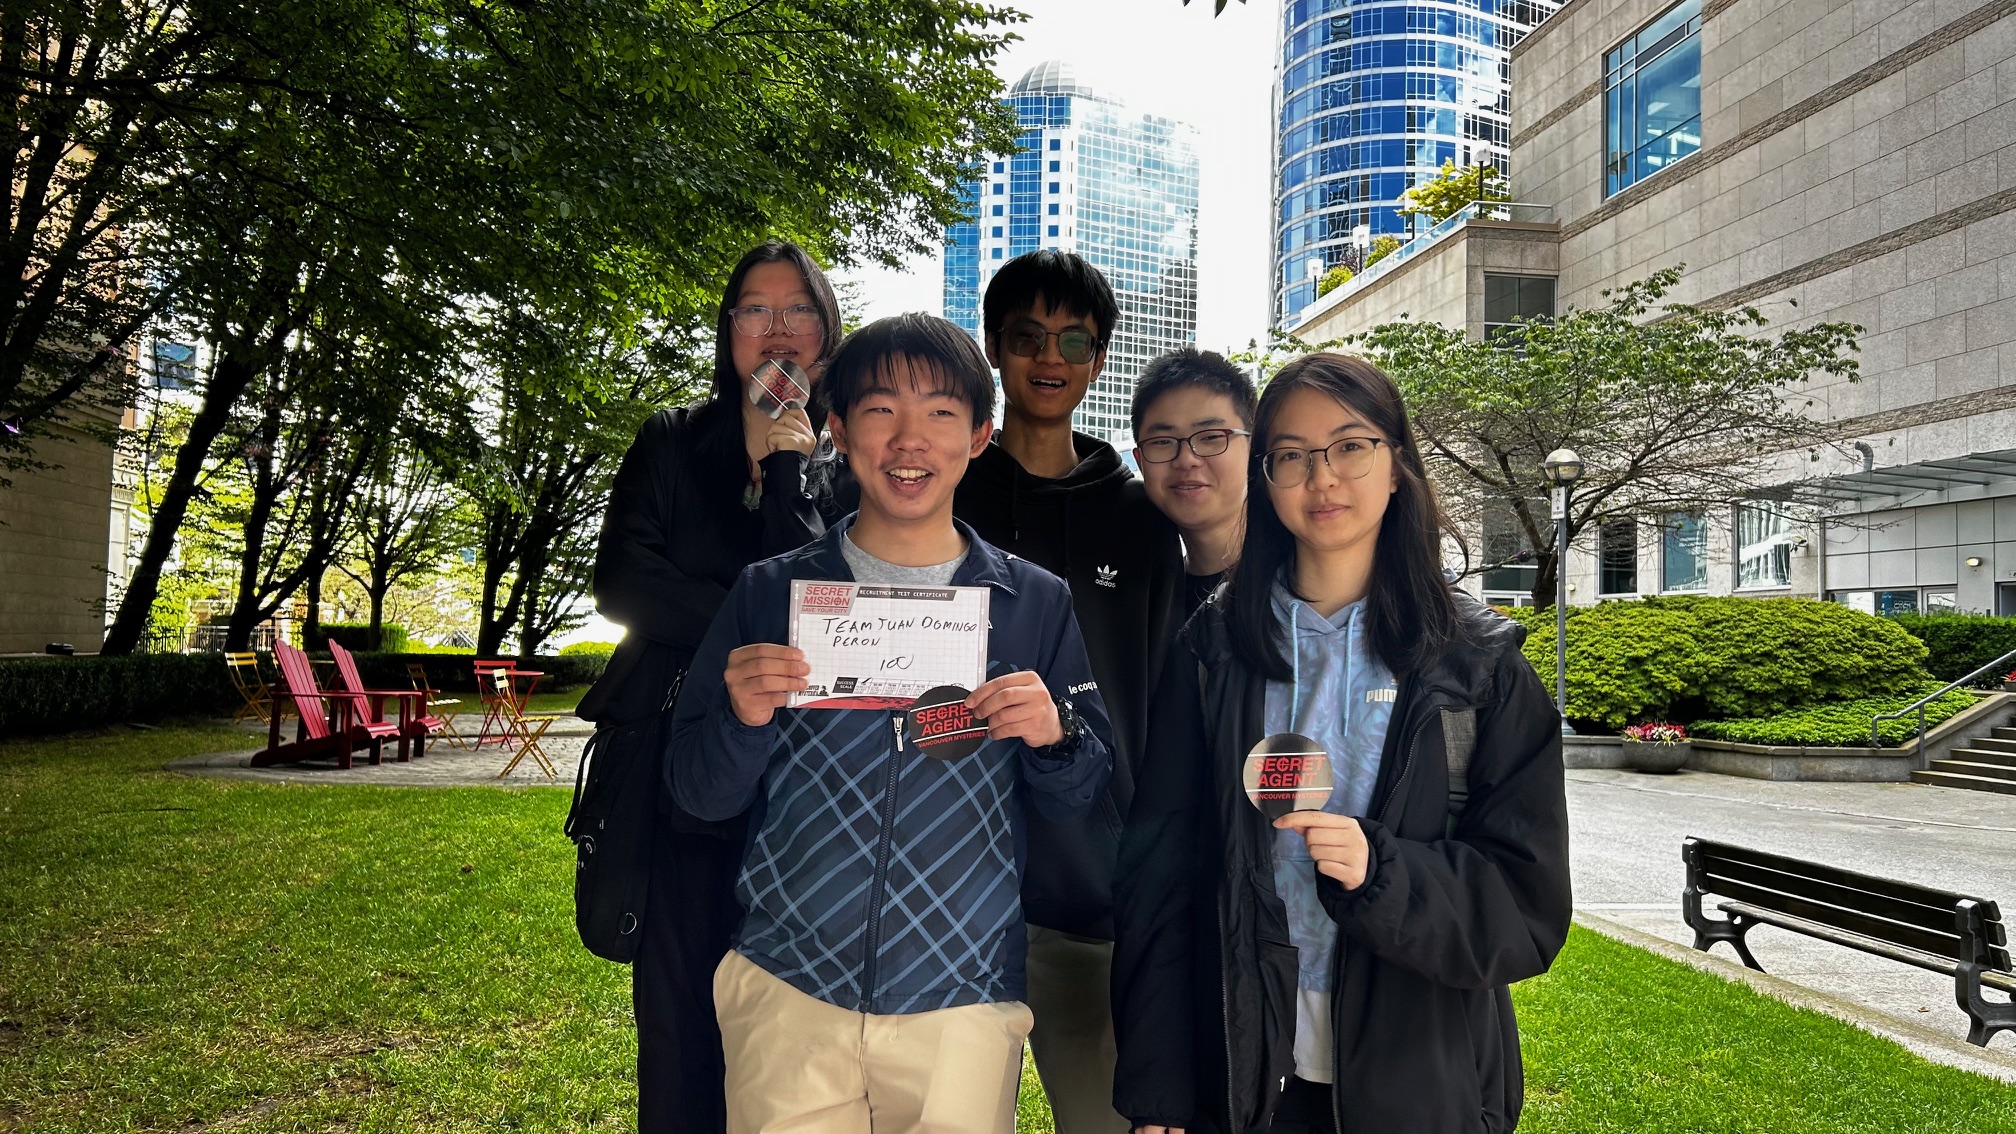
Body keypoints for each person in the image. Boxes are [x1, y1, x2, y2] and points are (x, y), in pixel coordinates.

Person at [668, 312, 1116, 1134]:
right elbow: (699, 791)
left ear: (978, 436)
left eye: (941, 412)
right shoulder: (771, 593)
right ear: (838, 430)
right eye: (880, 410)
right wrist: (740, 715)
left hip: (962, 997)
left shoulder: (1033, 602)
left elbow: (1082, 793)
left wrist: (1054, 736)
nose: (909, 440)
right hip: (787, 986)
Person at [1111, 354, 1572, 1134]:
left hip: (1418, 1079)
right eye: (1292, 455)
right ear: (1266, 478)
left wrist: (1381, 871)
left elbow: (1526, 908)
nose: (1321, 477)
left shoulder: (1478, 666)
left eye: (1351, 446)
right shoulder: (1215, 650)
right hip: (1243, 1069)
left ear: (1397, 467)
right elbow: (1160, 874)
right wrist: (1160, 1084)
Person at [577, 241, 844, 1134]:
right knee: (681, 1022)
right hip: (675, 763)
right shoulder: (672, 440)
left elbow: (821, 610)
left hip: (803, 781)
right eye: (755, 310)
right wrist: (745, 627)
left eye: (797, 309)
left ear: (827, 330)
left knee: (792, 1029)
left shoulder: (849, 457)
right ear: (729, 332)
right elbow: (624, 583)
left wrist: (788, 474)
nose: (777, 327)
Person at [952, 250, 1184, 1134]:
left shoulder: (1140, 518)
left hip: (1095, 888)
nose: (1049, 358)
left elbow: (1162, 695)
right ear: (994, 349)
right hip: (949, 875)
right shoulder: (944, 496)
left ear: (1098, 358)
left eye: (1074, 340)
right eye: (1026, 337)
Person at [1129, 349, 1256, 616]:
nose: (1186, 460)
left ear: (1254, 447)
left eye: (1210, 437)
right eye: (1162, 442)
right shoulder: (1144, 598)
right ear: (1140, 461)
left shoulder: (1302, 579)